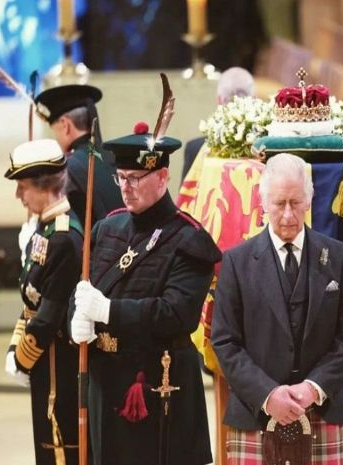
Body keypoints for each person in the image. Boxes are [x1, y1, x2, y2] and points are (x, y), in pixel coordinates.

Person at [69, 121, 222, 465]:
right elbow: (81, 290)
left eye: (135, 178)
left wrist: (109, 312)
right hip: (104, 384)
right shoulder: (108, 228)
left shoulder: (189, 239)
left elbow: (176, 313)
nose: (126, 187)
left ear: (163, 177)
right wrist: (74, 320)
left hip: (155, 387)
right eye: (120, 177)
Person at [211, 153, 343, 464]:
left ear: (310, 200)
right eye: (280, 203)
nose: (289, 215)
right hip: (255, 414)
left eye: (296, 202)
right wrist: (269, 395)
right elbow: (225, 342)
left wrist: (313, 388)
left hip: (321, 409)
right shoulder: (236, 262)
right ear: (262, 202)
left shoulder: (338, 256)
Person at [4, 138, 83, 465]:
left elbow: (49, 315)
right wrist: (15, 346)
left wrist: (22, 357)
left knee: (58, 447)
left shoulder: (62, 238)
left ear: (45, 186)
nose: (18, 195)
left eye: (22, 186)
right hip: (44, 360)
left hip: (57, 366)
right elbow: (31, 303)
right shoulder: (45, 230)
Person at [35, 84, 123, 227]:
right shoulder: (116, 156)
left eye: (55, 130)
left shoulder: (66, 169)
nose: (56, 138)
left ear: (65, 125)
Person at [181, 67, 256, 179]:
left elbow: (186, 195)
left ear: (219, 100)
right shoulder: (265, 149)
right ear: (254, 99)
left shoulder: (195, 150)